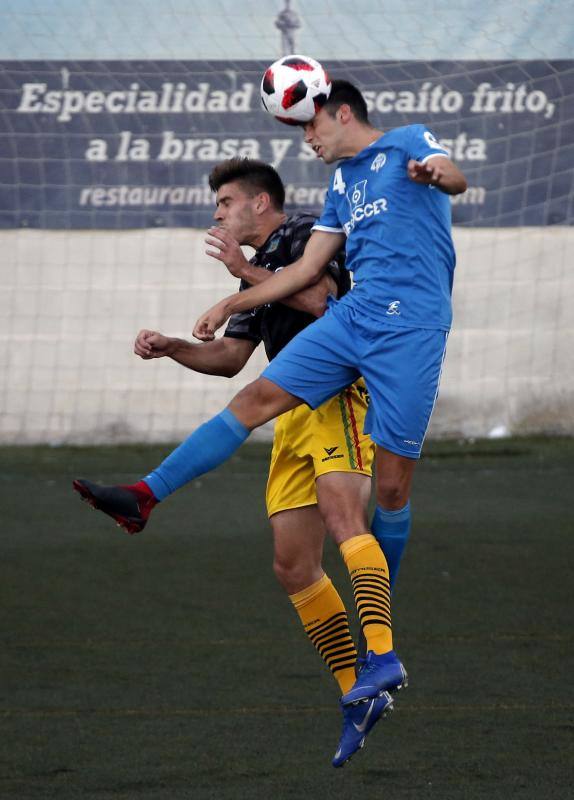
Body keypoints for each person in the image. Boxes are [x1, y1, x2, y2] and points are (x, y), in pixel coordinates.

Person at [74, 78, 466, 765]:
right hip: (353, 325)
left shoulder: (407, 143)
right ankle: (144, 497)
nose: (306, 140)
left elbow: (452, 180)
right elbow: (301, 280)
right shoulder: (342, 186)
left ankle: (380, 648)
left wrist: (440, 173)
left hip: (408, 333)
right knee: (278, 507)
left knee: (390, 497)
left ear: (341, 112)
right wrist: (227, 302)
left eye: (310, 125)